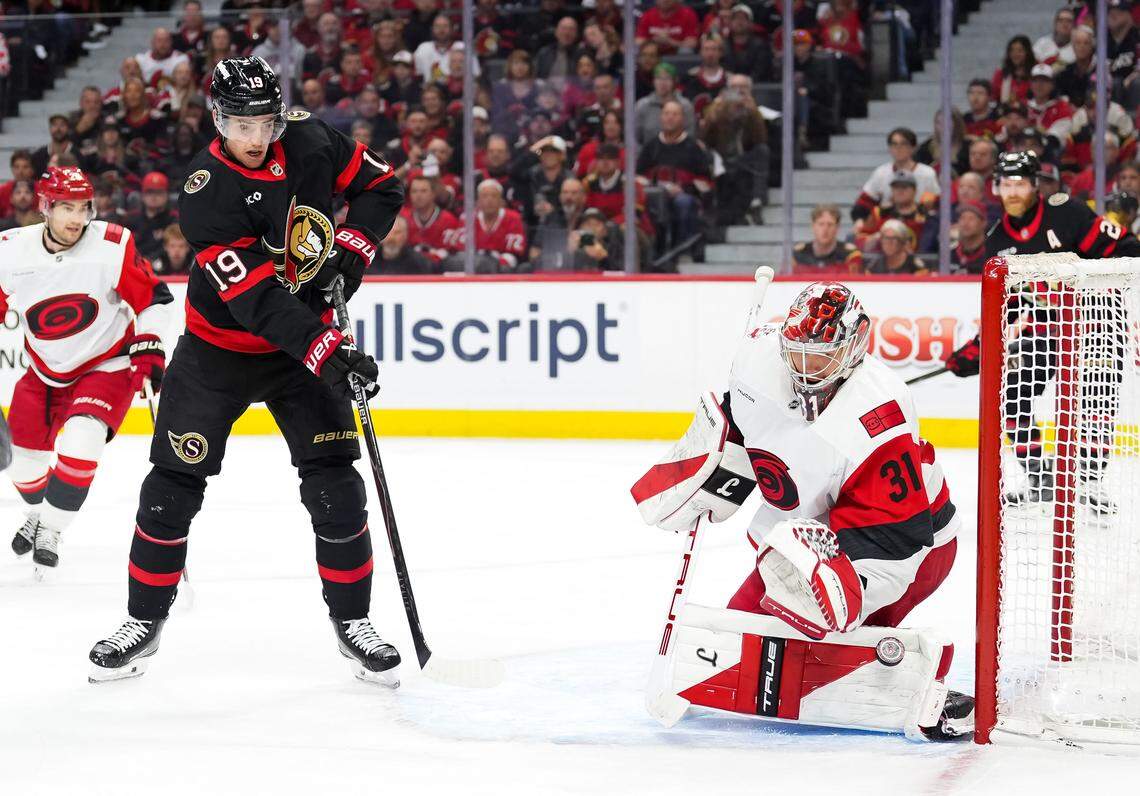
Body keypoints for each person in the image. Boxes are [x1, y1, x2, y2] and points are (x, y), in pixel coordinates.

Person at [87, 56, 405, 685]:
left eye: (264, 120)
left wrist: (351, 252)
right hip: (218, 355)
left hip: (300, 348)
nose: (257, 138)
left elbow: (382, 185)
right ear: (216, 118)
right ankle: (143, 622)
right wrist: (327, 352)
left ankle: (354, 623)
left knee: (336, 486)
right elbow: (259, 303)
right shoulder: (206, 193)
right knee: (170, 490)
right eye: (241, 123)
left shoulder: (312, 138)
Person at [633, 282, 968, 738]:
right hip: (807, 535)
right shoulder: (756, 360)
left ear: (854, 348)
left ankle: (914, 675)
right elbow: (740, 426)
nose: (806, 368)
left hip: (908, 544)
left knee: (813, 637)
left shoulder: (879, 418)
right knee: (746, 639)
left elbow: (894, 542)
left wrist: (840, 605)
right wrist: (714, 475)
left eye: (821, 355)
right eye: (797, 352)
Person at [945, 150, 1140, 512]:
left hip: (1100, 321)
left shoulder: (1067, 212)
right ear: (996, 188)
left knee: (1097, 401)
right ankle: (1040, 479)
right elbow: (1009, 307)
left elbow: (1126, 248)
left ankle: (1088, 481)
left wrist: (1092, 279)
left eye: (1020, 183)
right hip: (1049, 328)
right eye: (1006, 183)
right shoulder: (997, 239)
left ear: (1035, 185)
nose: (1014, 191)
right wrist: (978, 349)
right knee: (1014, 391)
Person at [1, 167, 173, 573]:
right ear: (45, 208)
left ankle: (52, 529)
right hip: (44, 372)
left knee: (82, 441)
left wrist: (149, 344)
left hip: (106, 364)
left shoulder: (112, 244)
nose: (77, 218)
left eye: (83, 208)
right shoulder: (9, 249)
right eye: (66, 208)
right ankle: (41, 515)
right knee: (23, 467)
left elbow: (157, 298)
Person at [852, 128, 939, 223]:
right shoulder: (881, 173)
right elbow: (864, 202)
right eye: (894, 144)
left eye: (903, 144)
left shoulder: (927, 173)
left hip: (920, 223)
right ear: (889, 148)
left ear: (913, 148)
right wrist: (859, 220)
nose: (898, 148)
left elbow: (938, 203)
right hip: (887, 223)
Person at [447, 179, 528, 273]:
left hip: (501, 267)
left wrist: (491, 264)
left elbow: (513, 255)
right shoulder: (467, 218)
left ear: (502, 201)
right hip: (475, 263)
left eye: (494, 196)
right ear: (478, 201)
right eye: (485, 196)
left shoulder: (513, 218)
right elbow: (461, 250)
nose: (489, 200)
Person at [634, 63, 697, 145]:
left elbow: (690, 136)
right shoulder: (642, 105)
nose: (662, 83)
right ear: (653, 81)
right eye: (659, 78)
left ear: (674, 81)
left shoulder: (685, 106)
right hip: (649, 155)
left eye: (667, 78)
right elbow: (635, 138)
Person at [791, 204, 862, 275]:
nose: (825, 229)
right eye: (821, 224)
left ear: (837, 228)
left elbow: (856, 284)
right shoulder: (799, 254)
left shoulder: (849, 254)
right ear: (813, 226)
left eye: (830, 224)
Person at [127, 172, 178, 262]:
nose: (154, 197)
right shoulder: (131, 219)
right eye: (149, 192)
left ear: (166, 195)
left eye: (159, 192)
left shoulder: (175, 220)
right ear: (142, 195)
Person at [949, 200, 987, 274]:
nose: (965, 223)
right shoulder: (951, 255)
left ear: (983, 223)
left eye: (971, 218)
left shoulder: (992, 254)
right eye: (962, 218)